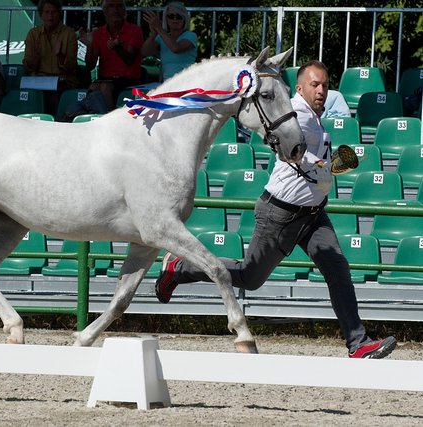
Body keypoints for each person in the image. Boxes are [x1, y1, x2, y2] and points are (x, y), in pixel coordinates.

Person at [154, 60, 397, 359]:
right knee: (249, 277)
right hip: (281, 213)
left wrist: (325, 168)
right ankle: (179, 268)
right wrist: (320, 166)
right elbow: (287, 151)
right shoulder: (296, 116)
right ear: (299, 88)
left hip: (313, 214)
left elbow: (314, 164)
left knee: (338, 269)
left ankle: (358, 343)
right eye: (314, 84)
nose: (321, 90)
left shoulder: (314, 117)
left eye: (325, 85)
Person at [79, 0, 144, 111]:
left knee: (105, 87)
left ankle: (108, 120)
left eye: (119, 6)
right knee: (94, 86)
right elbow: (90, 66)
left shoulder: (134, 30)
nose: (115, 10)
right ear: (105, 11)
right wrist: (90, 46)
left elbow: (130, 60)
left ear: (124, 11)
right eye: (111, 6)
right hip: (106, 79)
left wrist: (117, 48)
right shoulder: (98, 33)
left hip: (128, 79)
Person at [22, 0, 79, 117]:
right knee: (23, 93)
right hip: (39, 80)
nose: (50, 16)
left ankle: (52, 124)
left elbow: (72, 67)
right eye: (47, 12)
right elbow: (28, 66)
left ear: (59, 14)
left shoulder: (69, 33)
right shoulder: (33, 34)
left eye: (54, 12)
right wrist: (36, 57)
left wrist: (60, 56)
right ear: (41, 15)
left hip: (63, 80)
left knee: (52, 93)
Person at [141, 2, 197, 82]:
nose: (175, 19)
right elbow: (145, 52)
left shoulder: (190, 35)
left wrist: (158, 28)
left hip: (187, 82)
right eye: (171, 16)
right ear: (166, 19)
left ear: (184, 19)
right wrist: (154, 34)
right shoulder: (162, 36)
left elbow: (176, 48)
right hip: (168, 83)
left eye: (179, 16)